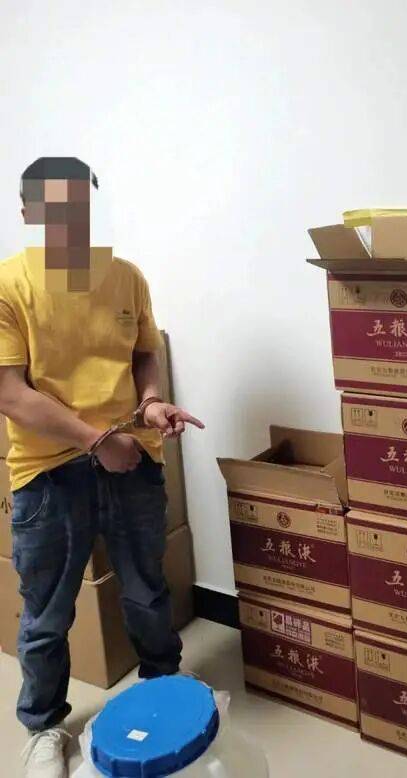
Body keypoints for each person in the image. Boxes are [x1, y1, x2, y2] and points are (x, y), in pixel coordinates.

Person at [0, 157, 204, 778]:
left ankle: (163, 690)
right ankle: (44, 729)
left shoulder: (126, 277)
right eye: (55, 206)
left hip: (131, 460)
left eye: (80, 203)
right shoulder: (9, 284)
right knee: (47, 615)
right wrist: (97, 442)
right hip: (48, 471)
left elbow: (144, 354)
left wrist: (151, 403)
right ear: (30, 211)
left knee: (146, 590)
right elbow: (11, 394)